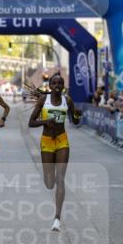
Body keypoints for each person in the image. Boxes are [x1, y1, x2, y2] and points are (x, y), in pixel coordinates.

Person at [27, 73, 81, 231]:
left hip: (62, 140)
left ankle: (57, 217)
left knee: (60, 178)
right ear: (50, 86)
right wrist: (46, 122)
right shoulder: (44, 100)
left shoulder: (67, 100)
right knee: (49, 183)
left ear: (63, 85)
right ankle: (49, 183)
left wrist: (77, 115)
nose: (57, 85)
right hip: (47, 142)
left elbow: (74, 120)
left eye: (60, 82)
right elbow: (31, 122)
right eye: (54, 82)